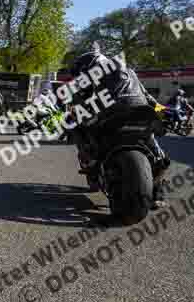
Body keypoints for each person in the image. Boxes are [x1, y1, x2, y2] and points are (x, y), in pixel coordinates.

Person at [69, 48, 170, 208]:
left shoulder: (96, 74)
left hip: (113, 114)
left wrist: (75, 113)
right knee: (155, 149)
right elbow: (149, 98)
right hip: (141, 110)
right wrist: (162, 111)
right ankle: (158, 192)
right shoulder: (129, 71)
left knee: (77, 125)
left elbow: (88, 103)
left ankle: (93, 164)